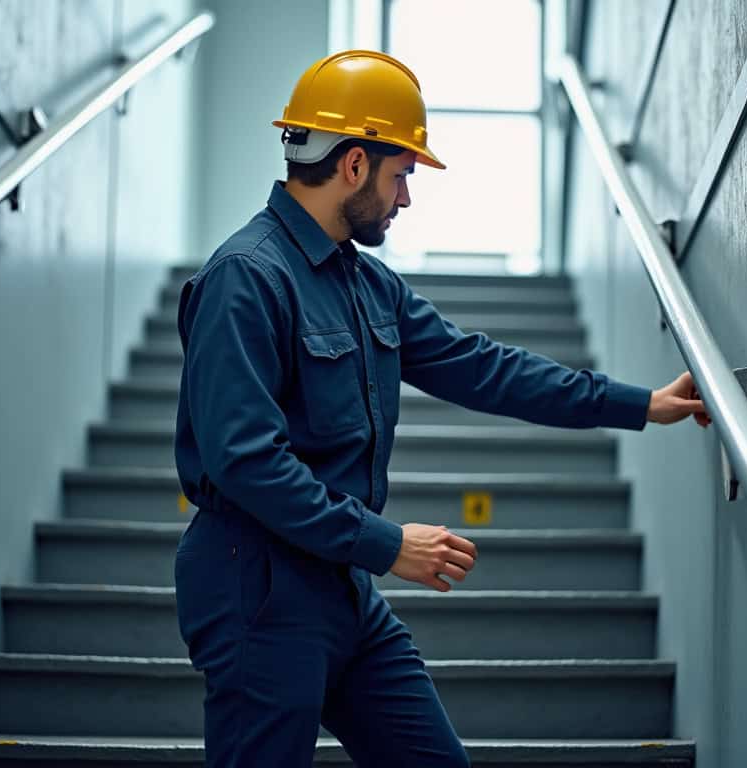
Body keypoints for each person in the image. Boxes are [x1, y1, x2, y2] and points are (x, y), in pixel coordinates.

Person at [172, 50, 710, 767]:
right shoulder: (246, 278)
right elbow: (246, 463)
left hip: (341, 587)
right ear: (355, 165)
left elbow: (484, 368)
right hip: (258, 591)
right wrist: (388, 544)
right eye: (403, 175)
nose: (406, 198)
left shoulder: (367, 286)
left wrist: (639, 404)